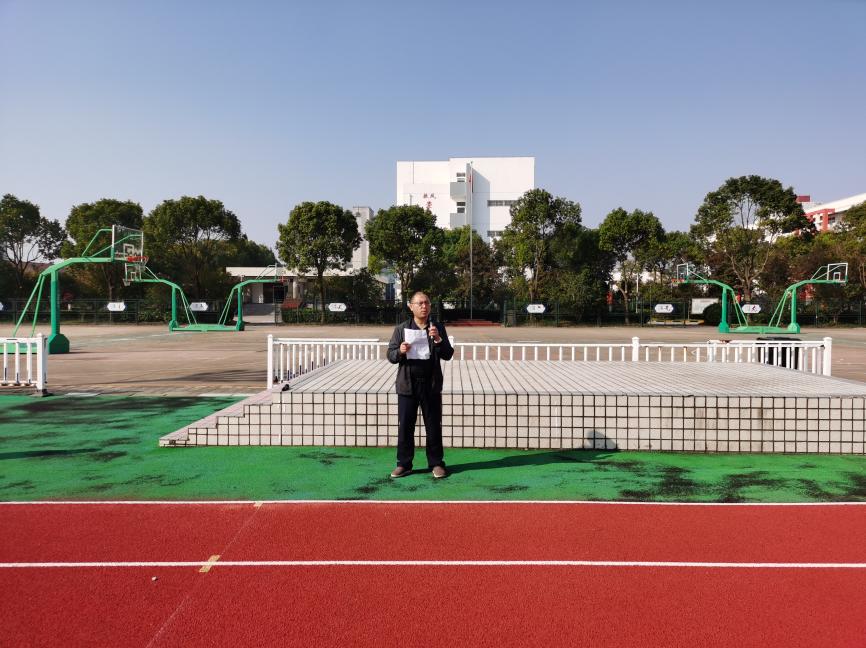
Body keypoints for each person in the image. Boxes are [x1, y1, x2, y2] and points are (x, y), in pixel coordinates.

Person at [386, 291, 454, 479]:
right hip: (408, 384)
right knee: (406, 426)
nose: (424, 306)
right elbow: (390, 355)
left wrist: (438, 340)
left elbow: (448, 354)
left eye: (427, 303)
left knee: (433, 426)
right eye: (420, 303)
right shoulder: (401, 329)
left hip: (431, 384)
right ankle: (404, 464)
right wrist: (400, 351)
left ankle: (436, 463)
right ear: (411, 306)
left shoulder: (437, 327)